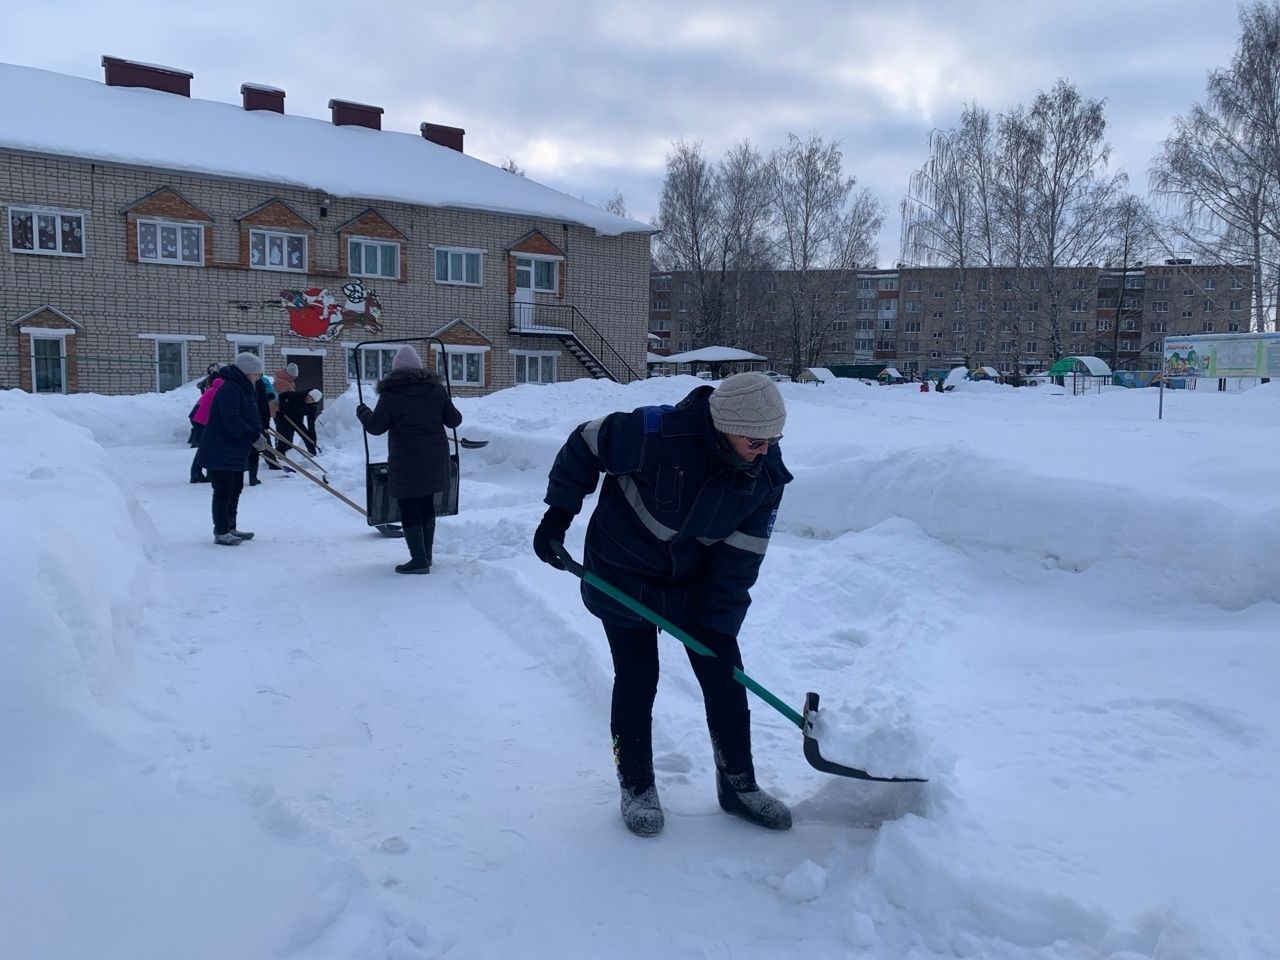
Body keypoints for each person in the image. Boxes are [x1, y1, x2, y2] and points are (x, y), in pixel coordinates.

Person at [532, 371, 793, 837]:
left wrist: (718, 622)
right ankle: (636, 786)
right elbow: (586, 442)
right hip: (622, 571)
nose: (765, 450)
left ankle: (738, 785)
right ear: (723, 424)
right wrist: (558, 514)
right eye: (755, 440)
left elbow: (740, 558)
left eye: (773, 439)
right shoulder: (656, 432)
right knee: (638, 676)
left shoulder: (765, 477)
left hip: (692, 582)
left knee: (723, 673)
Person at [356, 345, 461, 574]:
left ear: (395, 370)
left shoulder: (391, 394)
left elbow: (375, 427)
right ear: (419, 367)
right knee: (426, 504)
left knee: (409, 506)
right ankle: (427, 555)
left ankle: (419, 560)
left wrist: (363, 413)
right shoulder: (436, 390)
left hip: (407, 460)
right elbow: (454, 421)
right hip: (435, 459)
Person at [195, 352, 269, 545]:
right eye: (256, 373)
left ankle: (230, 527)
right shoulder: (231, 389)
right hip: (221, 447)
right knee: (223, 489)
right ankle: (220, 531)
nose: (258, 377)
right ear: (246, 372)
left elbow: (249, 415)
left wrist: (257, 433)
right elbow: (232, 420)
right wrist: (252, 436)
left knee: (235, 488)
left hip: (235, 447)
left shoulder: (244, 388)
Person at [188, 363, 222, 483]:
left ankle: (198, 472)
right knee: (206, 446)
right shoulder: (220, 387)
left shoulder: (215, 385)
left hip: (197, 417)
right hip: (201, 419)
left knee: (206, 446)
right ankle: (197, 473)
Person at [247, 369, 276, 486]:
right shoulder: (257, 383)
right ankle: (253, 476)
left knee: (255, 448)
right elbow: (263, 403)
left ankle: (253, 475)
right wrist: (265, 421)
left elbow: (263, 402)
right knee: (258, 445)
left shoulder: (257, 383)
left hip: (255, 420)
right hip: (254, 421)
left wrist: (265, 421)